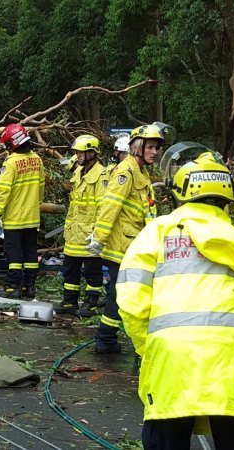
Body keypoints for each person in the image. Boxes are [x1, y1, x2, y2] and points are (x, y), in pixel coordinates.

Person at [117, 152, 234, 450]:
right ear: (228, 197)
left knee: (167, 436)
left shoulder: (157, 233)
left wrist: (147, 347)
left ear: (180, 193)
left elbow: (131, 299)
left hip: (173, 358)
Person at [86, 124, 161, 353]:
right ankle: (105, 340)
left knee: (119, 293)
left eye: (157, 148)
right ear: (138, 147)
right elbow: (111, 206)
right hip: (122, 245)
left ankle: (107, 338)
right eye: (150, 147)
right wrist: (99, 237)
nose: (155, 152)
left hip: (134, 242)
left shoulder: (141, 172)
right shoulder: (125, 172)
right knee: (118, 294)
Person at [0, 124, 45, 299]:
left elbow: (4, 190)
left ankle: (13, 287)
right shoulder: (37, 159)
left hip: (14, 218)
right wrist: (35, 204)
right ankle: (29, 287)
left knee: (14, 253)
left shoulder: (11, 163)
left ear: (14, 142)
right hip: (32, 216)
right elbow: (41, 186)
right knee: (30, 252)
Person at [59, 134, 107, 316]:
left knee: (92, 273)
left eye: (81, 153)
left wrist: (99, 232)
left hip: (89, 234)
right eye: (77, 152)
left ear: (92, 154)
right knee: (70, 270)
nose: (78, 156)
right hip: (74, 233)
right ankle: (69, 303)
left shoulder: (101, 176)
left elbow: (104, 206)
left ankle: (91, 304)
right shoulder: (78, 172)